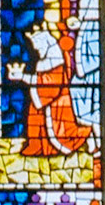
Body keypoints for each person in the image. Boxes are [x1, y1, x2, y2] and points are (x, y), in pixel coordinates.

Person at [8, 23, 90, 157]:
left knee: (63, 132)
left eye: (39, 48)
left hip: (57, 106)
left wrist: (22, 76)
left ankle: (87, 138)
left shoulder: (57, 61)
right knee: (35, 114)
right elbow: (42, 83)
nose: (38, 51)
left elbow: (50, 85)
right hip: (46, 102)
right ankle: (38, 146)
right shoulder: (45, 61)